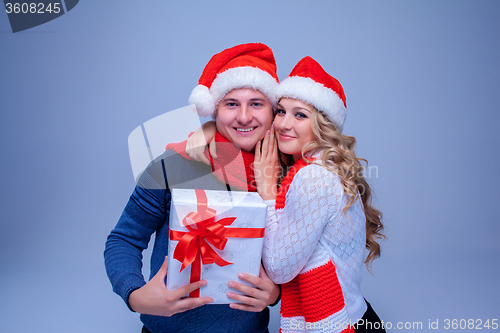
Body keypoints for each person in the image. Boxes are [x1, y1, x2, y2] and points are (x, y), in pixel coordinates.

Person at [188, 56, 386, 332]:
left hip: (341, 323)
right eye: (281, 111)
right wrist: (208, 127)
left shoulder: (312, 177)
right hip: (351, 314)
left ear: (322, 125)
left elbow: (280, 269)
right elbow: (245, 125)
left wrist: (267, 193)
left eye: (300, 114)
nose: (283, 124)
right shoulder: (304, 164)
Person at [104, 43, 281, 333]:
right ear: (214, 110)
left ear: (273, 110)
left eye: (257, 103)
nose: (245, 117)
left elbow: (301, 256)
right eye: (231, 103)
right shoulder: (172, 165)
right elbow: (124, 238)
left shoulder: (290, 175)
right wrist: (134, 294)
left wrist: (276, 294)